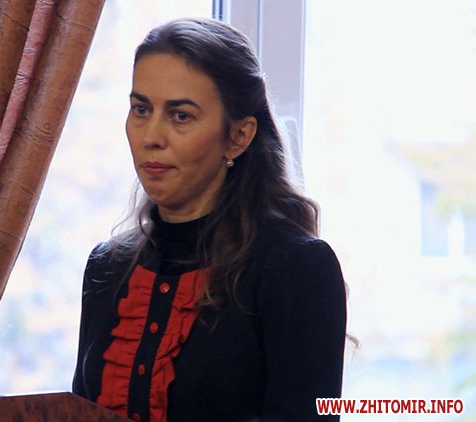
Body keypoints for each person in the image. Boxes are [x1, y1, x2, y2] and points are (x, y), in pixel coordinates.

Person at [72, 17, 347, 422]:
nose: (151, 136)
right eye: (141, 109)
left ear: (239, 136)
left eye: (181, 115)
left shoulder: (296, 268)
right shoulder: (107, 266)